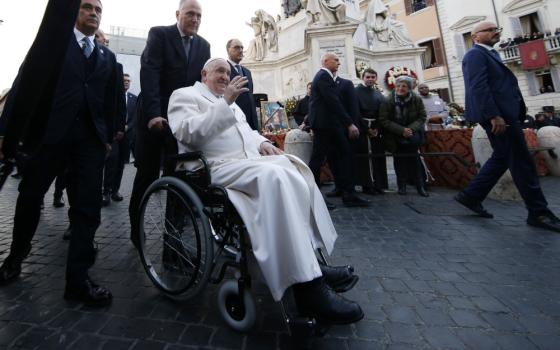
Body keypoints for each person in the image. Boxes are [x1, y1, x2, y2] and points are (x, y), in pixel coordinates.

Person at [168, 57, 363, 325]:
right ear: (204, 73)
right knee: (275, 175)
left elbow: (246, 131)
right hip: (215, 167)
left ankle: (312, 264)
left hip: (248, 162)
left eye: (228, 72)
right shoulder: (184, 96)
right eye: (220, 71)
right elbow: (190, 134)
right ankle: (308, 290)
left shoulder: (230, 101)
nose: (225, 76)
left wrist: (262, 143)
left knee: (293, 168)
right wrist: (225, 103)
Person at [0, 0, 118, 306]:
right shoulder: (54, 44)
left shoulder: (108, 57)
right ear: (73, 11)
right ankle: (16, 257)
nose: (93, 13)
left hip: (89, 144)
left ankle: (78, 281)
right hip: (49, 138)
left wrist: (107, 137)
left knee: (87, 210)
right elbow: (24, 83)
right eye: (87, 7)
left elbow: (112, 102)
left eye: (98, 10)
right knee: (29, 198)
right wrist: (9, 134)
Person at [454, 21, 560, 233]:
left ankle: (471, 195)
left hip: (505, 114)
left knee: (503, 157)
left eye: (497, 29)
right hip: (499, 116)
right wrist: (494, 115)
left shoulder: (490, 53)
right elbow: (479, 87)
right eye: (490, 30)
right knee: (521, 162)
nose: (496, 32)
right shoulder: (475, 55)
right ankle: (538, 212)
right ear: (475, 36)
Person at [129, 0, 211, 248]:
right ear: (178, 14)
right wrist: (154, 114)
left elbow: (201, 86)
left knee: (180, 180)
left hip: (182, 122)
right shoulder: (160, 34)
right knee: (147, 175)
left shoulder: (203, 46)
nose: (195, 19)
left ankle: (172, 243)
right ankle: (136, 227)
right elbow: (150, 72)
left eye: (199, 15)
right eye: (190, 14)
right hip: (155, 119)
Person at [307, 53, 370, 208]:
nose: (339, 62)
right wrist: (349, 123)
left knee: (342, 156)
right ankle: (314, 198)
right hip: (325, 126)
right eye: (335, 60)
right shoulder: (323, 76)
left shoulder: (324, 77)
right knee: (318, 160)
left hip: (329, 125)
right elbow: (333, 101)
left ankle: (348, 193)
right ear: (325, 61)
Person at [379, 76, 429, 197]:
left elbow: (422, 117)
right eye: (398, 86)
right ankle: (402, 186)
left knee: (415, 161)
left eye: (404, 86)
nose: (400, 88)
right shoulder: (388, 100)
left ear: (409, 88)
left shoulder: (416, 99)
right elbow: (384, 119)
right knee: (399, 161)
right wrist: (401, 130)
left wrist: (410, 129)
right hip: (395, 134)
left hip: (412, 134)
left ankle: (420, 186)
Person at [355, 68, 388, 193]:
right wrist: (367, 129)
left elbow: (383, 113)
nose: (370, 79)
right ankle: (367, 185)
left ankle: (378, 184)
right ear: (363, 77)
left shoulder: (378, 93)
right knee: (365, 158)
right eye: (368, 77)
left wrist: (377, 128)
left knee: (378, 156)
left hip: (376, 129)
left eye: (373, 77)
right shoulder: (355, 92)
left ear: (376, 78)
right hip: (362, 129)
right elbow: (355, 112)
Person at [226, 39, 258, 130]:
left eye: (241, 48)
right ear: (228, 50)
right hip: (235, 121)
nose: (240, 50)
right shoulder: (224, 69)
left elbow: (250, 94)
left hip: (252, 122)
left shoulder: (247, 72)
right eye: (236, 47)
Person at [123, 74, 138, 161]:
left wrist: (128, 126)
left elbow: (135, 116)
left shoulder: (134, 98)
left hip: (130, 132)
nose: (126, 82)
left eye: (128, 81)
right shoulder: (114, 96)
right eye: (124, 80)